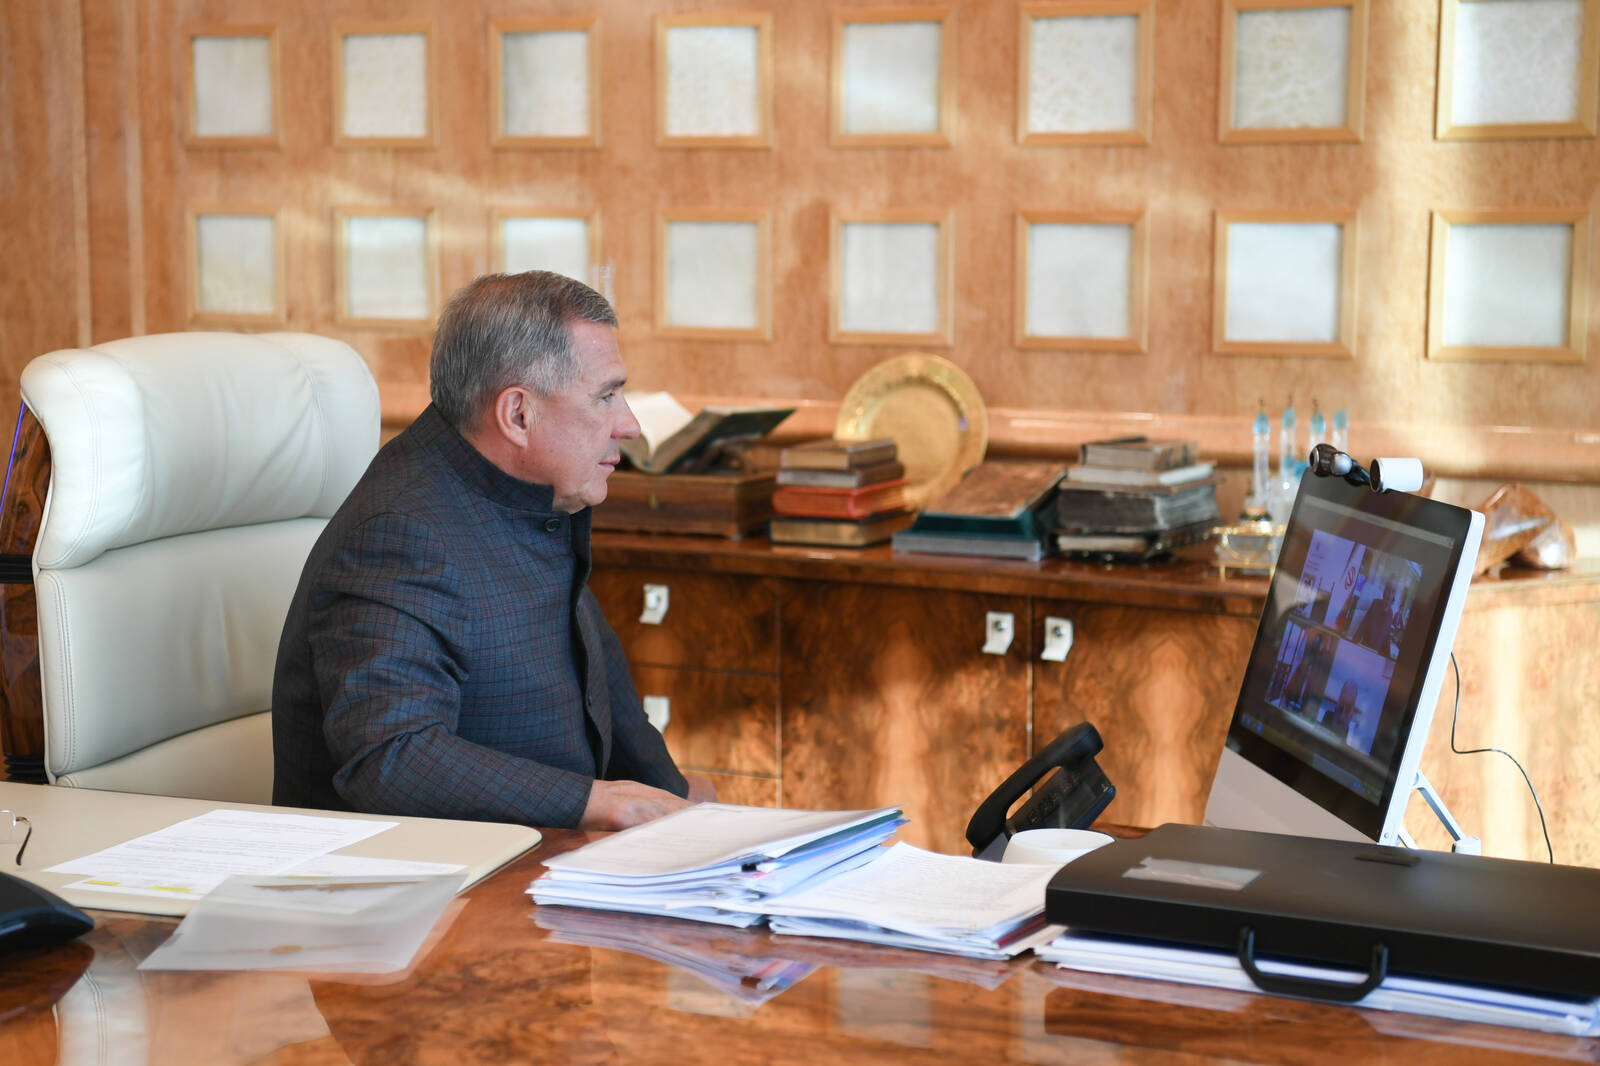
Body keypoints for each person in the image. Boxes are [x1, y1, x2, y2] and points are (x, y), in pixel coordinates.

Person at [272, 271, 713, 831]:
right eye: (606, 396)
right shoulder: (399, 534)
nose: (628, 425)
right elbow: (390, 757)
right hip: (430, 875)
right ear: (518, 415)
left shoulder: (532, 494)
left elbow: (601, 692)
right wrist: (598, 802)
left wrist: (682, 805)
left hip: (538, 853)